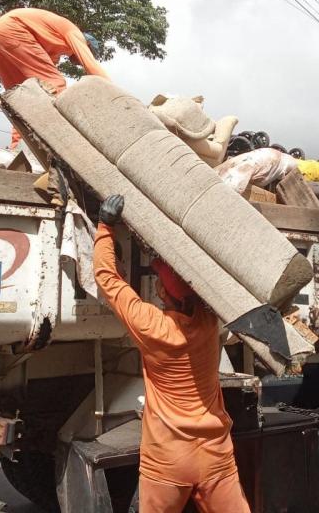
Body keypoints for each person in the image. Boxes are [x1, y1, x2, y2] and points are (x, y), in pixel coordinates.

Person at [93, 195, 251, 513]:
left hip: (166, 460)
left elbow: (108, 280)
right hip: (214, 455)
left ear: (163, 293)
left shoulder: (151, 326)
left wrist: (105, 227)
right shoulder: (210, 321)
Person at [0, 8, 110, 147]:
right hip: (13, 31)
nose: (78, 63)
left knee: (19, 97)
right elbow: (91, 65)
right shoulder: (75, 34)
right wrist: (112, 93)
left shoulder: (53, 43)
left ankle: (17, 145)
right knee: (54, 85)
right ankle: (66, 139)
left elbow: (45, 68)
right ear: (88, 45)